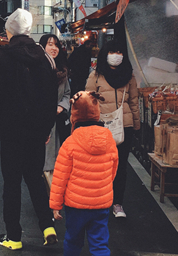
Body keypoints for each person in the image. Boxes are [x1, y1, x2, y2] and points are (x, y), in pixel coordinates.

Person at [0, 8, 59, 250]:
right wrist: (47, 127)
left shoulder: (1, 56)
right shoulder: (44, 57)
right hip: (37, 131)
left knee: (12, 183)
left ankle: (14, 237)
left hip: (11, 131)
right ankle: (47, 226)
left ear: (8, 32)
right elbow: (51, 97)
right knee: (35, 179)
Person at [49, 91, 118, 256]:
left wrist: (55, 205)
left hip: (76, 205)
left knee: (73, 241)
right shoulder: (109, 139)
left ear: (74, 115)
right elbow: (113, 169)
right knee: (100, 243)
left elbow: (60, 177)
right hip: (101, 203)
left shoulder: (70, 143)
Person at [85, 41, 140, 219]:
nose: (116, 55)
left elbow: (134, 102)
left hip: (125, 126)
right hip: (101, 126)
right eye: (112, 51)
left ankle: (118, 203)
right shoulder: (96, 76)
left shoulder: (129, 77)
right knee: (101, 166)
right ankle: (100, 200)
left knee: (120, 166)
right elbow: (88, 101)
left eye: (119, 52)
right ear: (105, 54)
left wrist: (137, 124)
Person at [38, 34, 71, 174]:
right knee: (41, 160)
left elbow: (67, 93)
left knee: (59, 160)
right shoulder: (36, 69)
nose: (54, 48)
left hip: (58, 121)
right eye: (50, 44)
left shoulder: (62, 71)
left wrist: (61, 106)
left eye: (56, 45)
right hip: (41, 120)